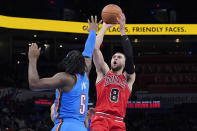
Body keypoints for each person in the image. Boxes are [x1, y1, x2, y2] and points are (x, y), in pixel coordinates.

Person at [28, 16, 101, 131]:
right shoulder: (85, 74)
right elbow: (88, 51)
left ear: (67, 63)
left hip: (65, 126)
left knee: (53, 109)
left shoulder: (65, 78)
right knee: (54, 110)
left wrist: (32, 59)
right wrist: (92, 32)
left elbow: (34, 84)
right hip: (82, 127)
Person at [90, 13, 136, 131]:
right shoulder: (103, 72)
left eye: (119, 57)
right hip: (100, 118)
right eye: (114, 56)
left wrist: (122, 31)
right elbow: (95, 48)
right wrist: (104, 27)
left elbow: (130, 56)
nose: (115, 58)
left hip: (118, 121)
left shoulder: (128, 78)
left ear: (125, 64)